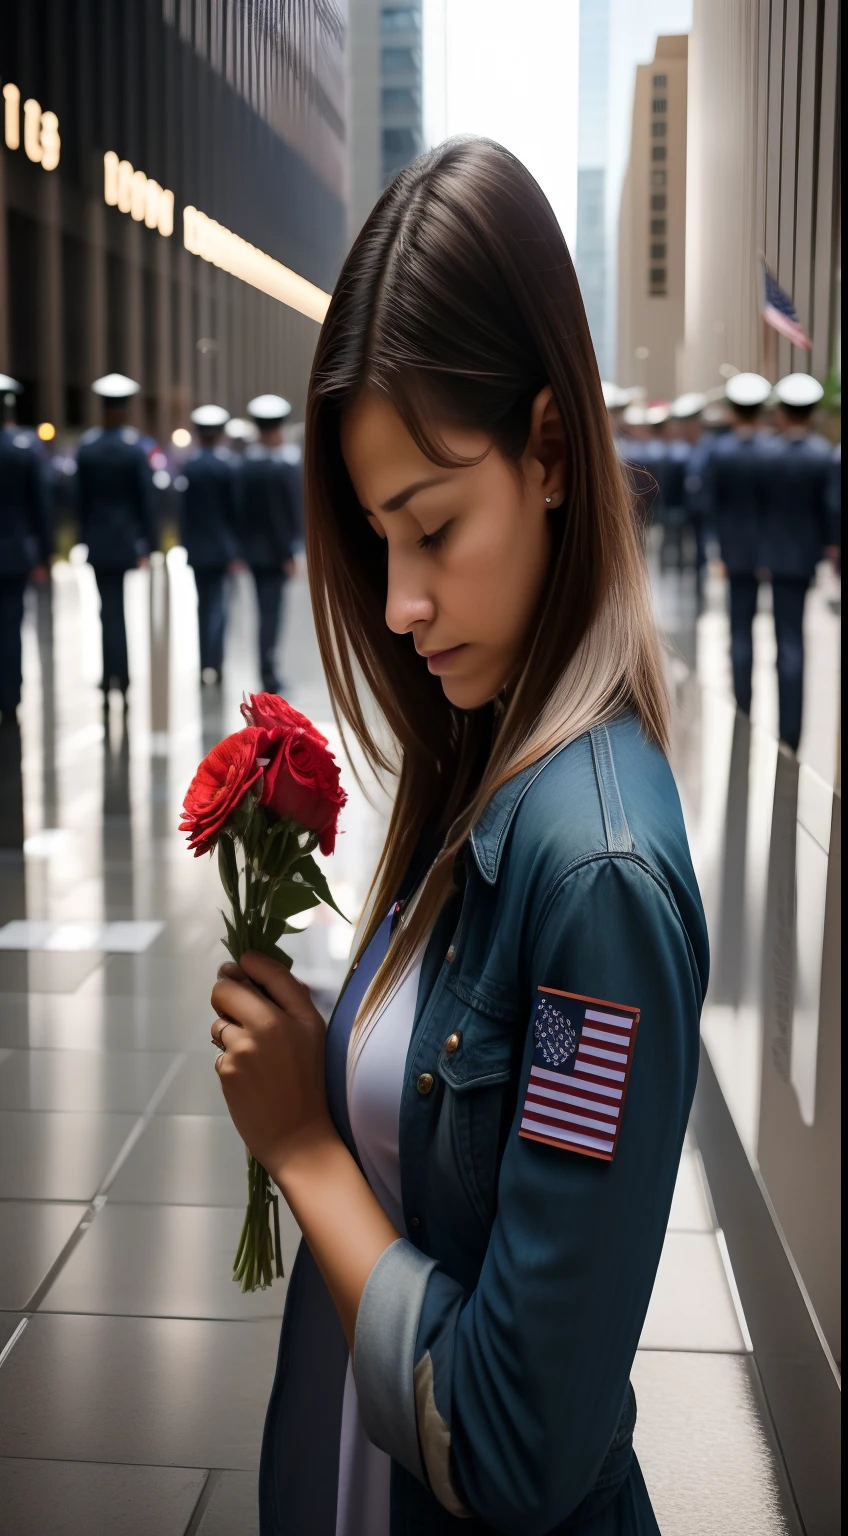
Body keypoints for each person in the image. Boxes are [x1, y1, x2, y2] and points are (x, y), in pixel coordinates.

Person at [207, 140, 709, 1536]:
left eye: (433, 528)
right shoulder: (485, 758)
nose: (403, 602)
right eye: (378, 540)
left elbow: (516, 1442)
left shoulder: (594, 873)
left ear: (551, 451)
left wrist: (306, 1141)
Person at [758, 373, 836, 751]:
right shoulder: (823, 454)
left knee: (783, 641)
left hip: (774, 556)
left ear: (784, 413)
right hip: (805, 558)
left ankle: (784, 727)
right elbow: (832, 509)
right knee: (795, 642)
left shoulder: (767, 454)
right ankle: (794, 730)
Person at [75, 374, 156, 705]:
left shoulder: (88, 447)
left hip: (98, 539)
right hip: (125, 542)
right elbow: (146, 500)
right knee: (118, 610)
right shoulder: (136, 448)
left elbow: (79, 501)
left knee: (106, 609)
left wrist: (83, 538)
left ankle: (110, 675)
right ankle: (122, 676)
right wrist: (148, 544)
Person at [708, 372, 775, 723]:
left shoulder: (719, 452)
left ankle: (743, 706)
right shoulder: (774, 451)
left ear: (733, 411)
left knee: (739, 630)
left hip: (734, 550)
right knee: (785, 634)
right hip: (773, 550)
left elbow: (709, 503)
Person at [239, 393, 302, 693]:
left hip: (252, 552)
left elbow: (238, 510)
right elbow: (283, 517)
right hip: (275, 554)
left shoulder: (245, 466)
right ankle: (269, 674)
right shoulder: (282, 468)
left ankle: (264, 669)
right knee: (271, 614)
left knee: (262, 612)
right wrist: (288, 553)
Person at [0, 375, 51, 724]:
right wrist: (44, 555)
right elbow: (41, 506)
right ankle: (10, 698)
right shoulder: (25, 446)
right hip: (15, 553)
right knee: (11, 626)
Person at [179, 404, 242, 685]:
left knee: (202, 606)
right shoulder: (227, 466)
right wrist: (236, 550)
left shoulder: (190, 467)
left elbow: (182, 512)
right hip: (221, 549)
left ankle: (205, 661)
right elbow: (235, 511)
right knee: (218, 606)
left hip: (197, 549)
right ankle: (216, 664)